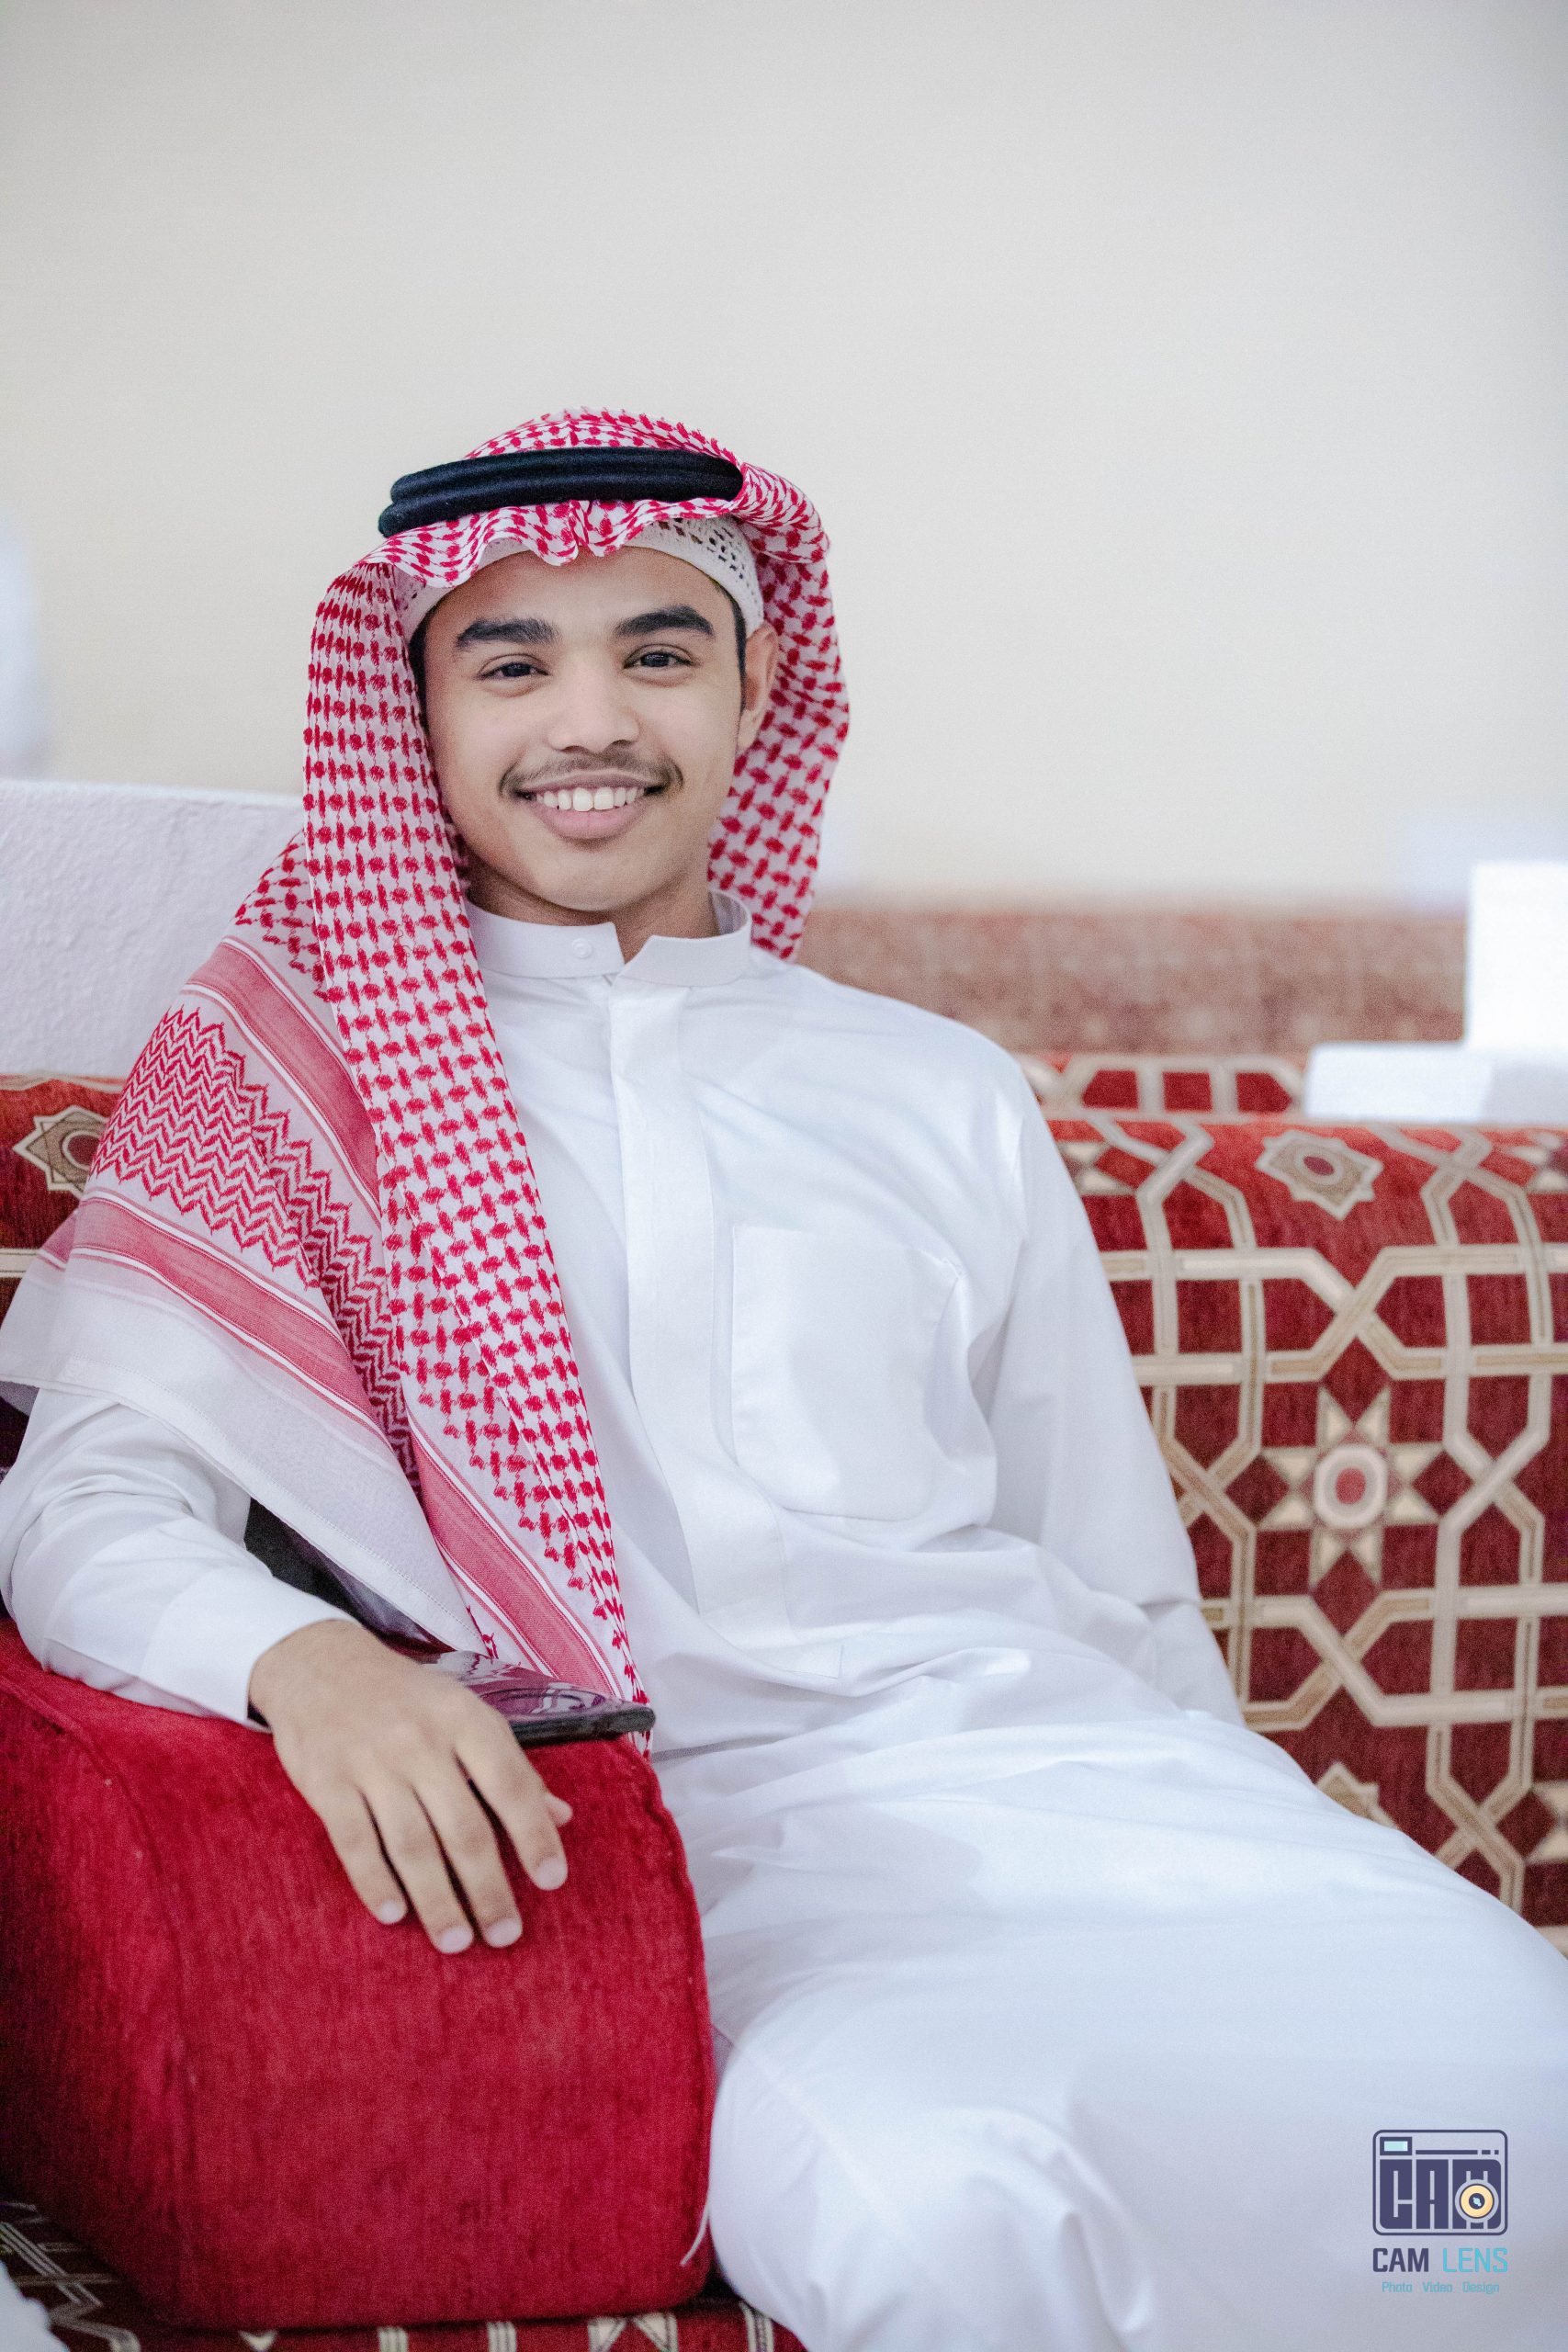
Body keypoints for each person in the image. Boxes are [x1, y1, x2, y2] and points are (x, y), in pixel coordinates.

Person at [1, 411, 1564, 2351]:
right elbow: (87, 1504)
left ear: (756, 689)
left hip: (1097, 1792)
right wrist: (303, 1661)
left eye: (658, 651)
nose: (591, 721)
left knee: (1513, 2101)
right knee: (950, 2205)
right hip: (703, 1859)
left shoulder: (932, 1087)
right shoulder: (286, 1083)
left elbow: (1115, 1578)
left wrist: (1231, 1832)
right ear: (415, 710)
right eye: (512, 662)